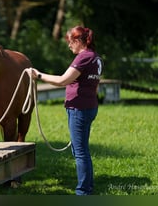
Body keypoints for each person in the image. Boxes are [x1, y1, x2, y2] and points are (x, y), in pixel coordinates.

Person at [28, 25, 103, 195]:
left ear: (78, 41)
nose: (69, 45)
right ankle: (88, 187)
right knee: (82, 150)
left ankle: (83, 192)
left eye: (70, 42)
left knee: (80, 152)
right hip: (88, 107)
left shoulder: (83, 58)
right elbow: (94, 85)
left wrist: (38, 75)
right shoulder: (96, 58)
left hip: (79, 109)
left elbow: (63, 80)